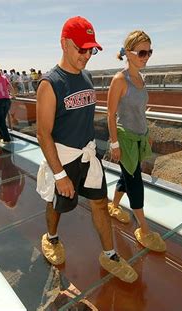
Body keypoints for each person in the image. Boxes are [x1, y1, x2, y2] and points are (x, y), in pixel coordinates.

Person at [36, 16, 137, 283]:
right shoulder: (50, 84)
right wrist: (59, 175)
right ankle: (51, 237)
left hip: (87, 155)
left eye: (90, 50)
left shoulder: (87, 77)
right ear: (64, 43)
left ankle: (110, 254)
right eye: (81, 49)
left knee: (100, 205)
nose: (87, 56)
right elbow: (42, 133)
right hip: (64, 158)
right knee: (56, 204)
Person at [107, 30, 165, 252]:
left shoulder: (141, 78)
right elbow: (111, 115)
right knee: (135, 182)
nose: (146, 57)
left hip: (140, 137)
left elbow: (141, 111)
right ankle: (143, 229)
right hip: (125, 140)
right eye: (142, 52)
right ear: (128, 54)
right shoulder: (119, 80)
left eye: (149, 52)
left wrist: (147, 134)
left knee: (127, 173)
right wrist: (114, 145)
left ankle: (113, 206)